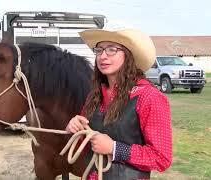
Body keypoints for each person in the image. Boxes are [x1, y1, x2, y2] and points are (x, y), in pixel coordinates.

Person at [65, 25, 172, 179]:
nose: (103, 56)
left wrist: (114, 148)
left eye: (111, 49)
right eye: (99, 50)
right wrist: (75, 130)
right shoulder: (94, 95)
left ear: (128, 55)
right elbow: (85, 144)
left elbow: (161, 157)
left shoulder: (149, 97)